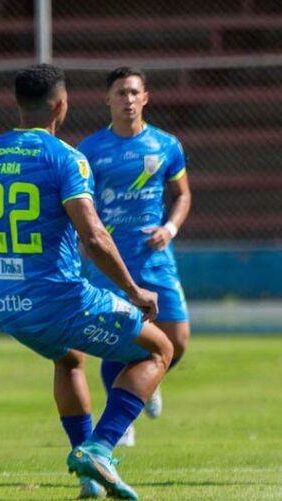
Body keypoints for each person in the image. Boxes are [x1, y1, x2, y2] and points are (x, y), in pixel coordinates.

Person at [0, 64, 173, 500]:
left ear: (18, 105)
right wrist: (133, 291)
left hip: (11, 307)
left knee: (69, 360)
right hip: (63, 299)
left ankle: (89, 477)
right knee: (160, 348)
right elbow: (93, 235)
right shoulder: (67, 158)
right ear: (61, 106)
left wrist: (4, 255)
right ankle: (101, 449)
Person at [78, 66, 192, 447]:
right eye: (120, 93)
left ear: (145, 98)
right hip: (110, 262)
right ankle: (121, 417)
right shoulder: (89, 151)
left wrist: (170, 229)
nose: (128, 99)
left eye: (133, 92)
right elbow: (79, 205)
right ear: (106, 99)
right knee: (115, 340)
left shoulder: (166, 145)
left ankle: (148, 378)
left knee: (178, 339)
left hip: (155, 258)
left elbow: (182, 196)